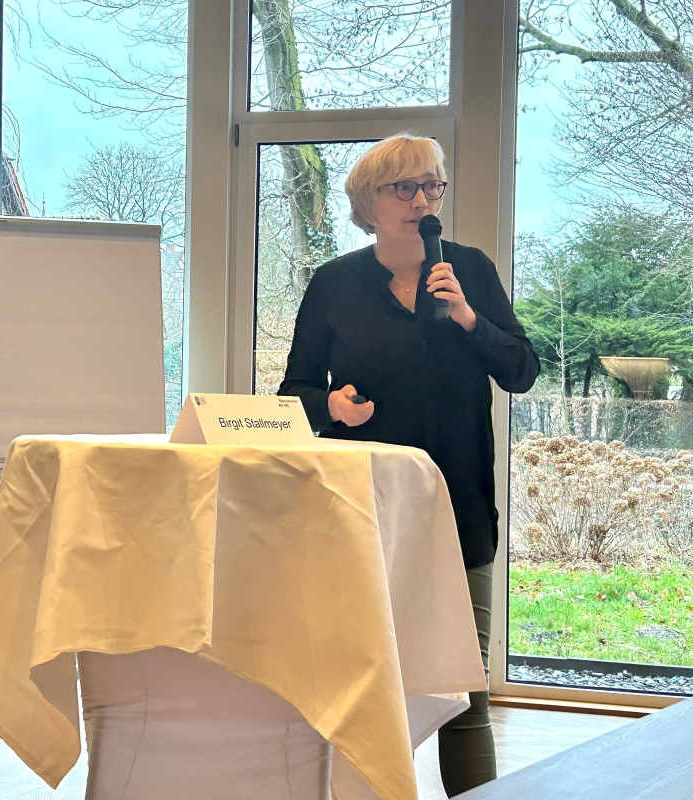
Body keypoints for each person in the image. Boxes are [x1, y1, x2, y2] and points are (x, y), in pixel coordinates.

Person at [277, 134, 539, 796]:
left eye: (431, 186)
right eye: (404, 187)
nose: (422, 200)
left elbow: (522, 370)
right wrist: (331, 404)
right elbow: (294, 393)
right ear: (369, 202)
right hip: (363, 508)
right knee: (359, 681)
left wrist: (469, 317)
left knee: (463, 691)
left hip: (459, 506)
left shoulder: (468, 269)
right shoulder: (334, 283)